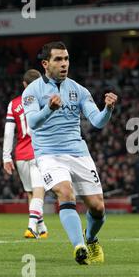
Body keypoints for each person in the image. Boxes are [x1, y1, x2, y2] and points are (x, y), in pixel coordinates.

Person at [22, 41, 118, 265]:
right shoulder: (32, 91)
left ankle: (90, 238)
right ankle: (79, 246)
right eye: (58, 59)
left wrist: (108, 110)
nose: (64, 64)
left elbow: (97, 121)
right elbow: (33, 122)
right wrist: (49, 109)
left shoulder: (78, 90)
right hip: (48, 154)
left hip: (78, 153)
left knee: (97, 207)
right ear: (46, 64)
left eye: (66, 59)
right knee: (65, 192)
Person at [2, 69, 48, 239]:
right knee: (39, 190)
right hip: (39, 152)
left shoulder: (13, 104)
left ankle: (41, 228)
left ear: (24, 84)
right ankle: (31, 226)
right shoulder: (45, 101)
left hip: (20, 154)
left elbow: (8, 133)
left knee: (31, 192)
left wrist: (6, 157)